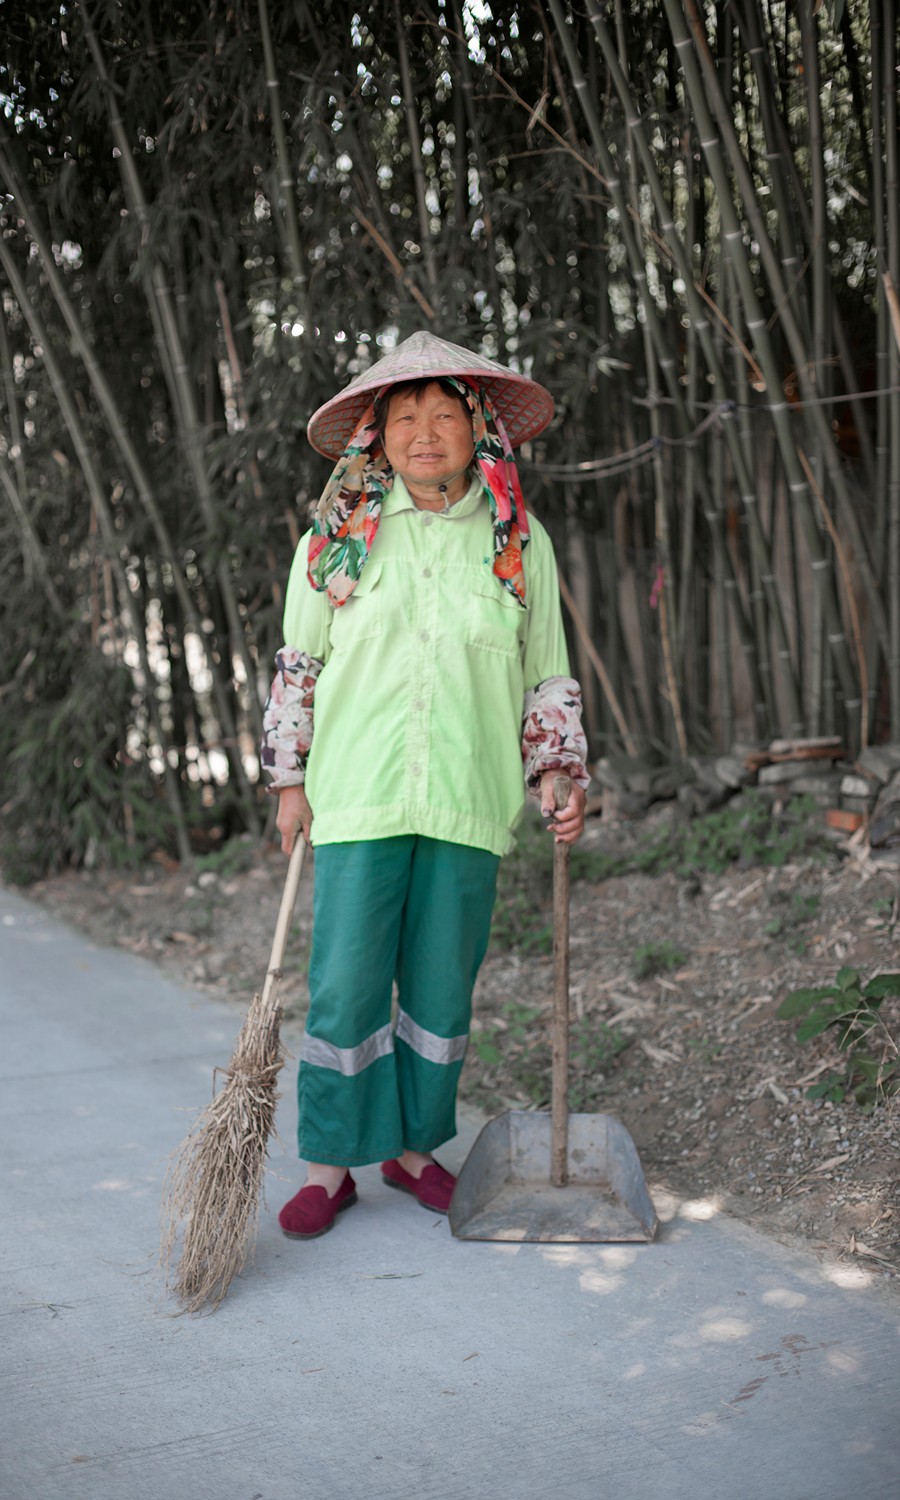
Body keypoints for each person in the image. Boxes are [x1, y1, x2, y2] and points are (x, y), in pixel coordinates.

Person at [260, 332, 589, 1239]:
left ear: (478, 428)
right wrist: (290, 782)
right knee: (345, 987)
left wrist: (558, 772)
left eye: (446, 415)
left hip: (467, 795)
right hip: (358, 793)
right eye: (406, 417)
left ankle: (411, 1152)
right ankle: (330, 1167)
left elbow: (545, 669)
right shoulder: (336, 539)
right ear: (379, 434)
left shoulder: (517, 538)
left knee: (442, 992)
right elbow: (299, 666)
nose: (426, 433)